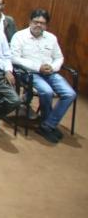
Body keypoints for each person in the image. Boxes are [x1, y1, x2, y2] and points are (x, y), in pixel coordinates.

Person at [10, 9, 76, 143]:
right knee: (47, 91)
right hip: (29, 73)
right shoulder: (19, 36)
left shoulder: (51, 38)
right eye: (36, 22)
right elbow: (14, 58)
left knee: (70, 94)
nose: (38, 25)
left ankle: (47, 125)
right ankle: (48, 124)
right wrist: (37, 67)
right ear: (30, 21)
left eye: (42, 23)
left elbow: (59, 57)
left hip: (50, 72)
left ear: (46, 25)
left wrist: (53, 67)